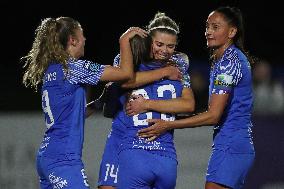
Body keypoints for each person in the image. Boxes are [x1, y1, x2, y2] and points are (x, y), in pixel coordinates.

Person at [21, 16, 148, 189]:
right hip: (63, 160)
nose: (85, 40)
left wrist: (99, 102)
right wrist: (124, 40)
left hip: (46, 157)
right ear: (73, 41)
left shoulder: (51, 71)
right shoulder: (72, 68)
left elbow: (71, 114)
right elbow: (125, 74)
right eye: (82, 36)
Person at [138, 7, 256, 189]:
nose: (208, 31)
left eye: (216, 27)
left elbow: (214, 115)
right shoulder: (227, 59)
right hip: (233, 145)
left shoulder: (229, 62)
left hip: (231, 146)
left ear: (232, 32)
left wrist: (169, 124)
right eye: (207, 26)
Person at [98, 12, 195, 189]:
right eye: (159, 44)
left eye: (170, 46)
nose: (164, 51)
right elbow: (125, 80)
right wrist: (164, 72)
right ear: (148, 41)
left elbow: (189, 105)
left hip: (137, 147)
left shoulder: (178, 65)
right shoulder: (132, 58)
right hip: (121, 138)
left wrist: (146, 104)